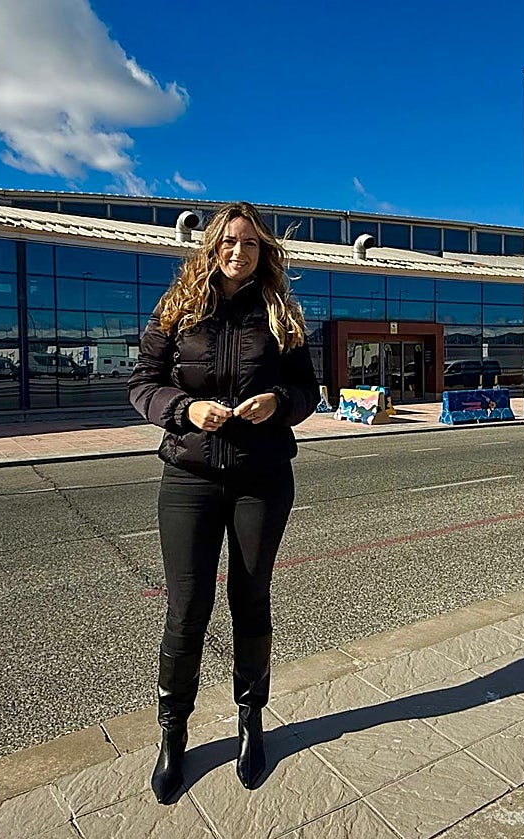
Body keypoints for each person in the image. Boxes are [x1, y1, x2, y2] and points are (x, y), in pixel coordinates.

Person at [128, 202, 319, 802]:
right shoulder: (178, 310)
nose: (239, 252)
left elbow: (308, 390)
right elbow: (141, 384)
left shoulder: (280, 314)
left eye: (251, 244)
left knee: (250, 598)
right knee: (186, 608)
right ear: (211, 248)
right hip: (190, 476)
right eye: (229, 242)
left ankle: (250, 720)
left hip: (261, 476)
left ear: (265, 252)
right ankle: (173, 733)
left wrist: (277, 404)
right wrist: (186, 411)